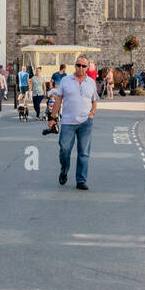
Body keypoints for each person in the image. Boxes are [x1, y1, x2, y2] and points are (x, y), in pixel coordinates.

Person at [53, 56, 98, 190]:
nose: (81, 68)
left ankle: (81, 180)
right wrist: (52, 117)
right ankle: (64, 171)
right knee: (65, 150)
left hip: (86, 122)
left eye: (84, 66)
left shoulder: (91, 82)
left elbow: (94, 101)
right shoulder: (66, 80)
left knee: (84, 152)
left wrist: (92, 114)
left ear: (87, 68)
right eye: (78, 65)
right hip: (68, 122)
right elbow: (59, 100)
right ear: (75, 65)